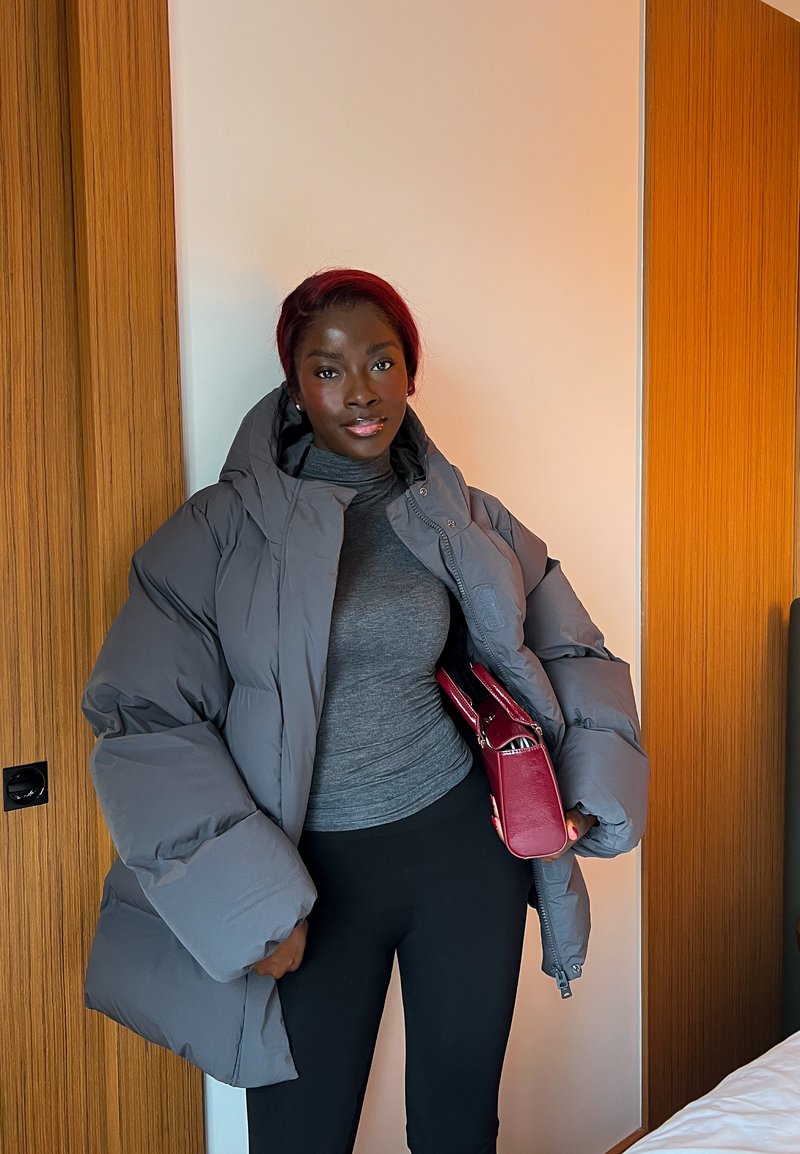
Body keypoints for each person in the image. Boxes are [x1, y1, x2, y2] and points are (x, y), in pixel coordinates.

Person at [82, 269, 648, 1154]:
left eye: (381, 361)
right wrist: (251, 907)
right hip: (306, 882)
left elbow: (570, 646)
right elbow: (146, 717)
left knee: (460, 1120)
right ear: (295, 386)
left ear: (410, 373)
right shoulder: (216, 534)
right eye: (328, 368)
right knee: (301, 1134)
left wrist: (583, 790)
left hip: (461, 854)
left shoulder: (462, 517)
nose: (359, 391)